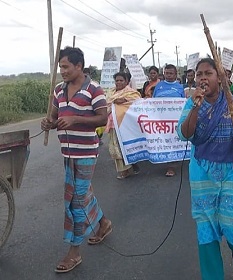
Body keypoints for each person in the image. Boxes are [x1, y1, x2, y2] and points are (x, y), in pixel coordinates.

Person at [177, 58, 233, 280]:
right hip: (202, 174)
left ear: (219, 78)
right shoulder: (192, 103)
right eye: (199, 74)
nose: (202, 78)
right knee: (207, 230)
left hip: (231, 172)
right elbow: (185, 134)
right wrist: (195, 107)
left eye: (208, 73)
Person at [41, 47, 112, 273]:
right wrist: (48, 123)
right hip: (67, 153)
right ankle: (103, 223)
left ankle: (74, 252)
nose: (62, 71)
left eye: (66, 67)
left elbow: (103, 118)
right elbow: (54, 116)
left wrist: (75, 120)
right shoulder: (59, 90)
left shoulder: (94, 89)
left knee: (75, 200)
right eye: (60, 67)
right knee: (83, 195)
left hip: (86, 154)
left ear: (79, 66)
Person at [106, 72, 141, 179]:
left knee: (124, 145)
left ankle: (127, 169)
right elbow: (106, 104)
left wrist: (125, 100)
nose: (119, 82)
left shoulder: (131, 93)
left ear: (126, 82)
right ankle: (125, 168)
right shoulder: (110, 92)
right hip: (112, 123)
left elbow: (138, 101)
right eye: (117, 80)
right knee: (115, 146)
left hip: (125, 124)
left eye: (121, 80)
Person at [153, 64, 185, 176]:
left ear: (176, 74)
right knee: (163, 140)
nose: (168, 75)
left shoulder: (180, 87)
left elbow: (183, 103)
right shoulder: (159, 86)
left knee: (173, 140)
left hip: (174, 121)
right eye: (166, 73)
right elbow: (152, 102)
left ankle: (171, 167)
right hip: (161, 120)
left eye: (171, 73)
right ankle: (163, 159)